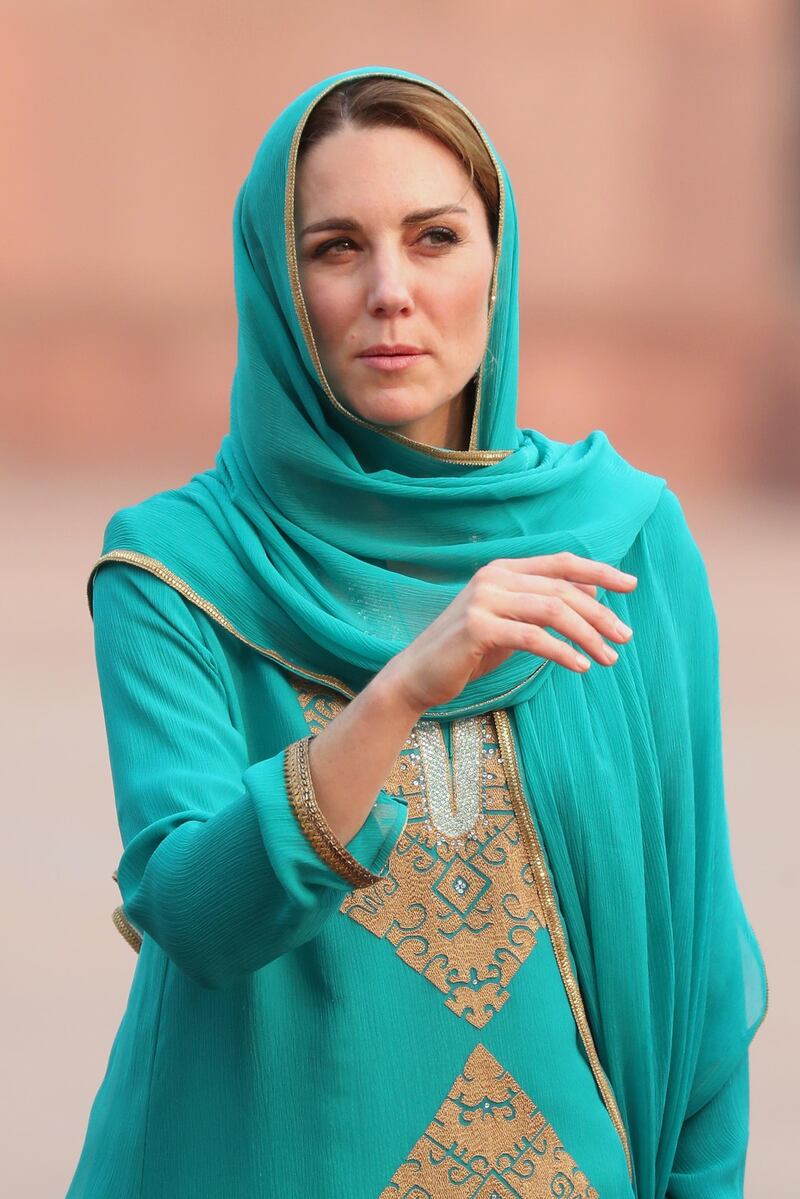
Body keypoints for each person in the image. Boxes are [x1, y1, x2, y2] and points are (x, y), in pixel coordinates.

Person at [65, 66, 767, 1199]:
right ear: (277, 286)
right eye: (335, 247)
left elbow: (691, 953)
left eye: (433, 237)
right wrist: (397, 690)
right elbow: (193, 912)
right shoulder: (175, 569)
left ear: (497, 264)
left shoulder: (621, 542)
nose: (390, 289)